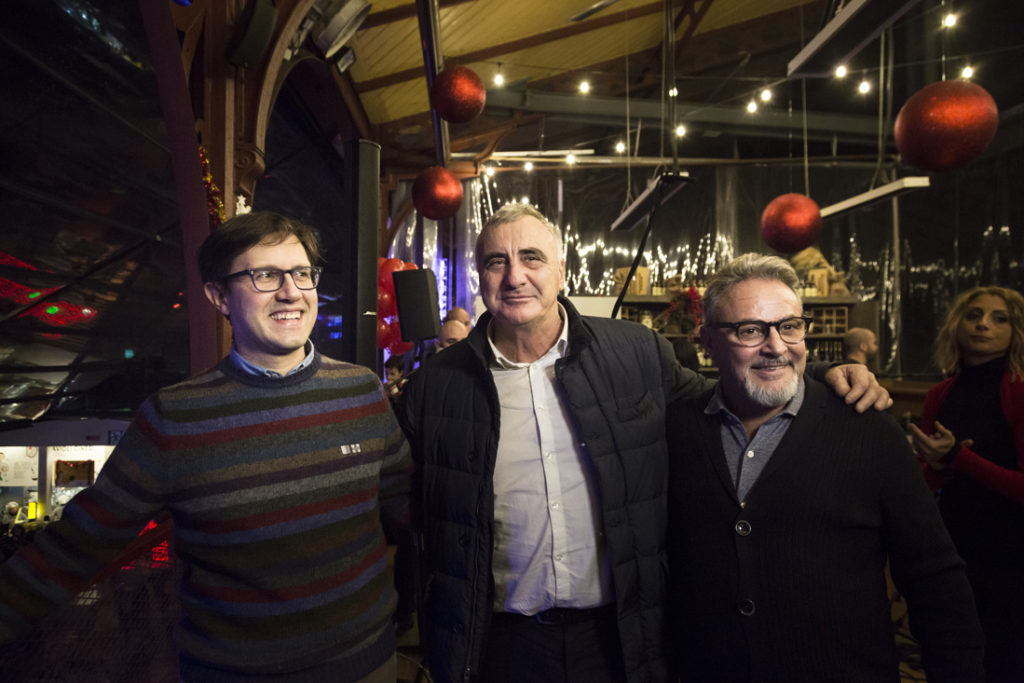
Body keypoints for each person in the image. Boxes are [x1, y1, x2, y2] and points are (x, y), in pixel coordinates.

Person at [399, 203, 892, 683]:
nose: (514, 276)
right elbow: (407, 506)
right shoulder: (436, 385)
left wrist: (821, 373)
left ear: (562, 271)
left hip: (620, 637)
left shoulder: (636, 352)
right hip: (500, 645)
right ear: (478, 277)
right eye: (495, 262)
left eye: (532, 257)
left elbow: (724, 395)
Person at [0, 212, 413, 683]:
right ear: (218, 296)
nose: (291, 292)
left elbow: (407, 507)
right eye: (264, 275)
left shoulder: (361, 391)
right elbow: (74, 549)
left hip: (367, 664)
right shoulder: (174, 417)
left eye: (302, 273)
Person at [665, 253, 984, 682]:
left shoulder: (867, 428)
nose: (776, 346)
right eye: (750, 330)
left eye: (790, 327)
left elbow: (934, 578)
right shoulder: (676, 429)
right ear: (707, 341)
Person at [908, 286, 1024, 681]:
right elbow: (928, 481)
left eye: (999, 318)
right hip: (957, 546)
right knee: (953, 656)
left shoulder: (1019, 389)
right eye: (973, 315)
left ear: (1016, 330)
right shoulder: (941, 394)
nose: (983, 325)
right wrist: (941, 464)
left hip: (1012, 555)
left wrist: (959, 457)